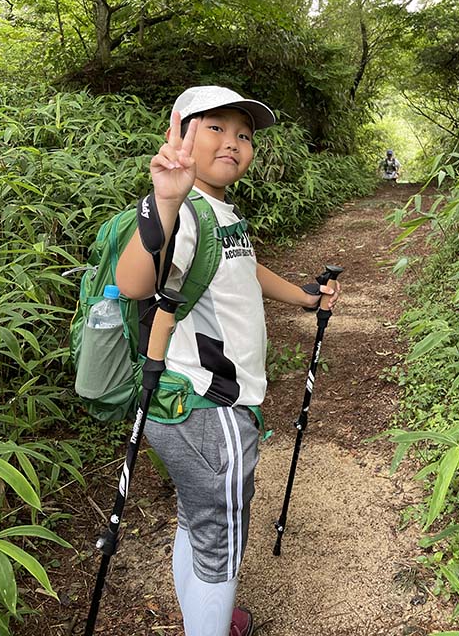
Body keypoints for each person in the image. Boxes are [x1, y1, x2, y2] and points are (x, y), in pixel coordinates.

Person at [115, 86, 340, 636]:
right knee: (223, 539)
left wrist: (305, 296)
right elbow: (133, 282)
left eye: (243, 134)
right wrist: (165, 201)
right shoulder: (184, 208)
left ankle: (203, 615)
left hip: (192, 404)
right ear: (181, 128)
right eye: (215, 127)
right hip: (209, 407)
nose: (233, 142)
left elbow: (244, 270)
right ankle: (211, 622)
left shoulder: (219, 212)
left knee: (200, 520)